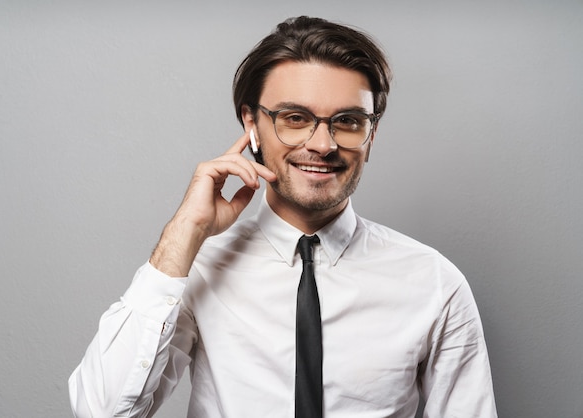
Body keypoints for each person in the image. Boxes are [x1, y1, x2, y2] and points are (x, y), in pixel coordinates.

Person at [69, 16, 497, 418]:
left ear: (372, 134)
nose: (323, 143)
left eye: (348, 121)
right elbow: (102, 412)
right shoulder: (198, 267)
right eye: (295, 118)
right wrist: (186, 231)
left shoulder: (434, 283)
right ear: (251, 124)